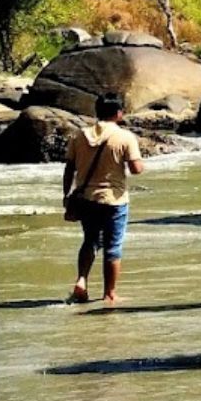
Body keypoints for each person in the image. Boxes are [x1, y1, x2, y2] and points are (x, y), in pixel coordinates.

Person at [63, 94, 144, 305]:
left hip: (86, 198)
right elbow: (136, 170)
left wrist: (66, 195)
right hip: (114, 200)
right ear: (118, 113)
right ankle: (109, 294)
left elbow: (69, 167)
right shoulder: (125, 137)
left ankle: (82, 280)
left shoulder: (80, 135)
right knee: (113, 246)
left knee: (90, 240)